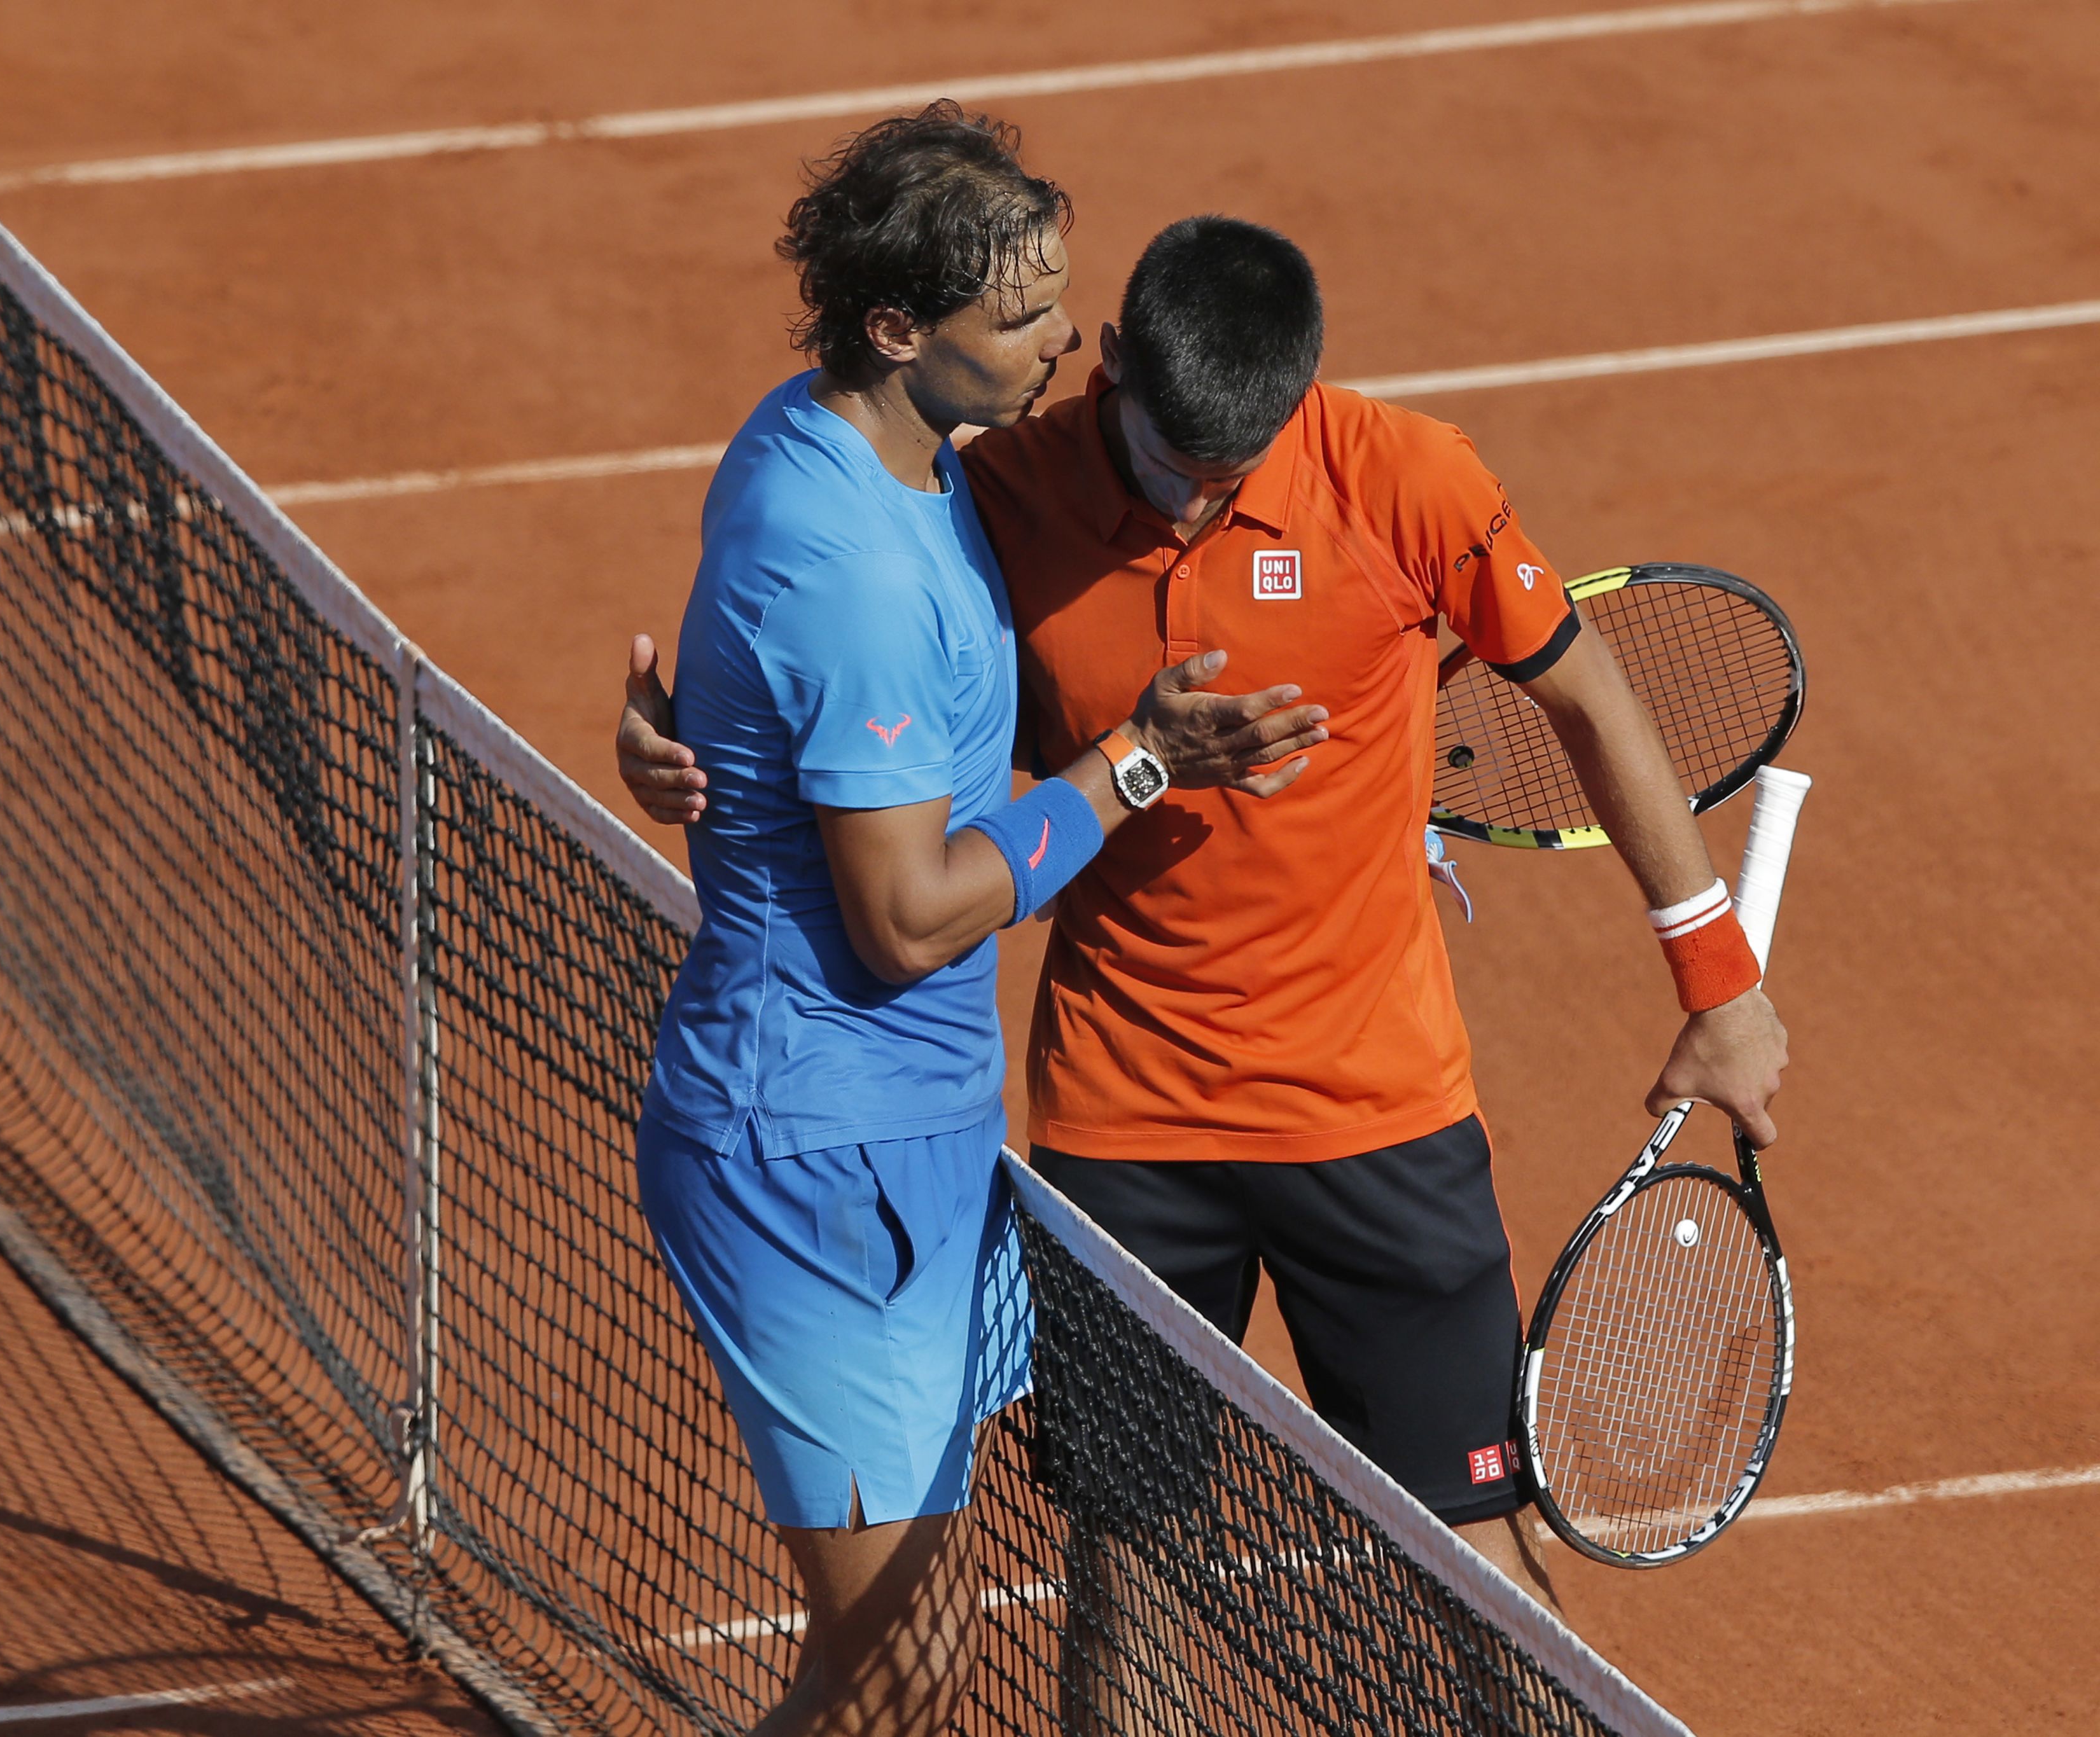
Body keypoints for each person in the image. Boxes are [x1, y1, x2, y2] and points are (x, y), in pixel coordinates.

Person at [620, 214, 1790, 1618]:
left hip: (1374, 1110)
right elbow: (849, 678)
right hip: (1125, 1128)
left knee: (1476, 1568)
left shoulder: (1407, 481)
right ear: (1106, 361)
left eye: (1222, 474)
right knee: (1130, 1576)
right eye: (1166, 459)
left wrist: (1717, 985)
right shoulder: (1000, 494)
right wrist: (691, 751)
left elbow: (1589, 698)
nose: (1184, 503)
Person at [634, 116, 1329, 1737]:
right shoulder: (851, 570)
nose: (1062, 346)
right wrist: (1134, 764)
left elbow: (786, 719)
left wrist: (690, 749)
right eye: (1021, 320)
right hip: (816, 1159)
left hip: (912, 1146)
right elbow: (902, 917)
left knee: (889, 1655)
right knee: (909, 1667)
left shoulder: (859, 444)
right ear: (897, 329)